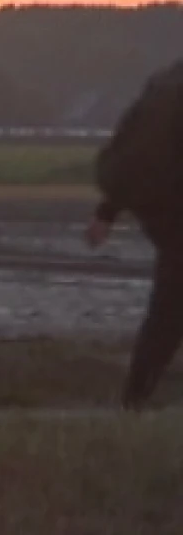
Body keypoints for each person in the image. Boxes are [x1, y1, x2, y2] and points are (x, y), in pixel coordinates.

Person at [87, 56, 183, 411]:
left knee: (168, 312)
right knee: (170, 311)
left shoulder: (165, 81)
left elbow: (135, 148)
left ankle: (134, 399)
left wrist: (107, 211)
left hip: (161, 212)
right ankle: (134, 400)